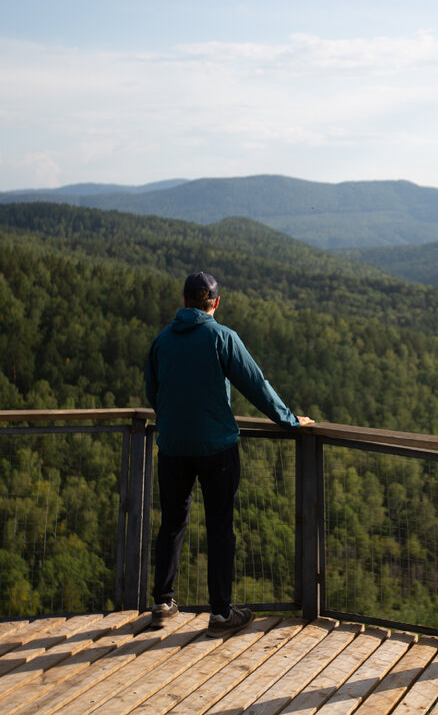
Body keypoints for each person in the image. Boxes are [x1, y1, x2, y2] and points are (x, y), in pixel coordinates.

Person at [144, 271, 313, 636]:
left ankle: (162, 603)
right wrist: (290, 421)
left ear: (185, 301)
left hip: (172, 447)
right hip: (216, 449)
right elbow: (256, 385)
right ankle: (220, 613)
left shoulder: (162, 341)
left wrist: (175, 424)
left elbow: (152, 392)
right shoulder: (222, 337)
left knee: (172, 522)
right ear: (215, 303)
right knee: (220, 527)